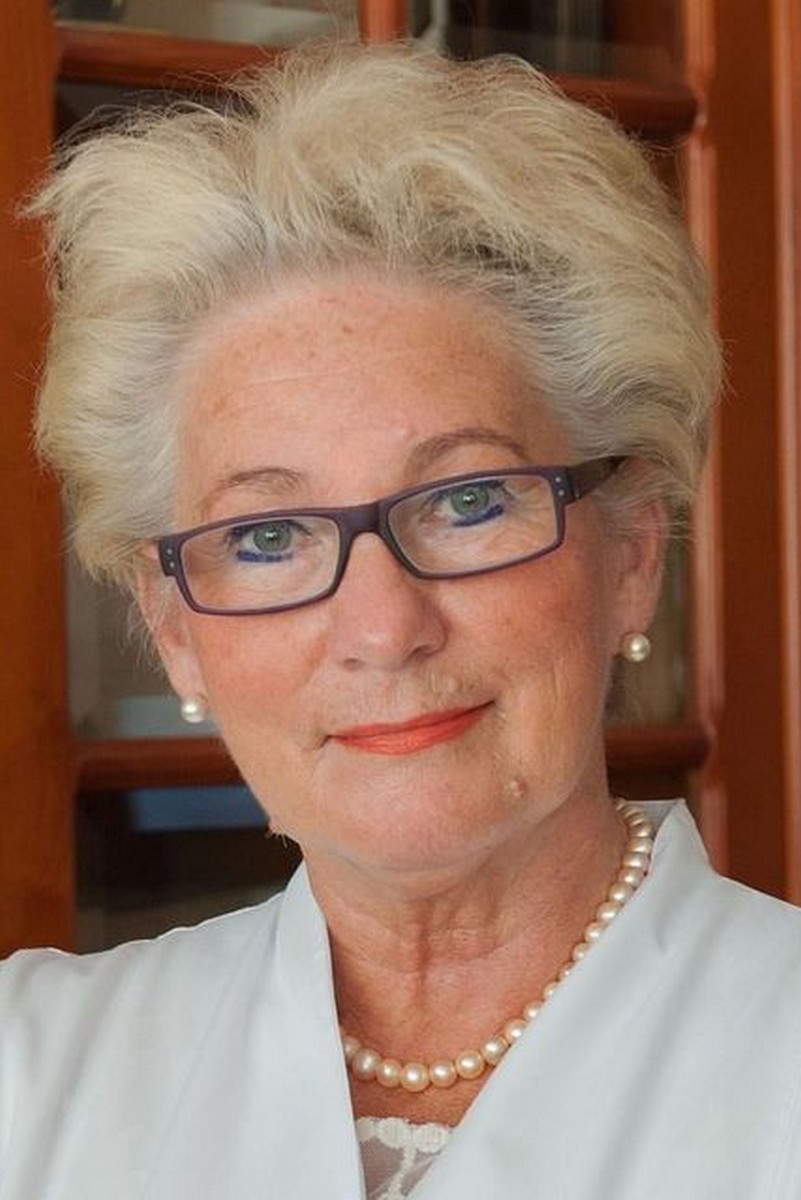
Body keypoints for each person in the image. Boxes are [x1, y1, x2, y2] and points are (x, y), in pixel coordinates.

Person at [2, 38, 801, 1200]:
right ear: (173, 629)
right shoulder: (33, 1078)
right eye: (266, 538)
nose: (383, 628)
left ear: (630, 554)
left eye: (468, 501)